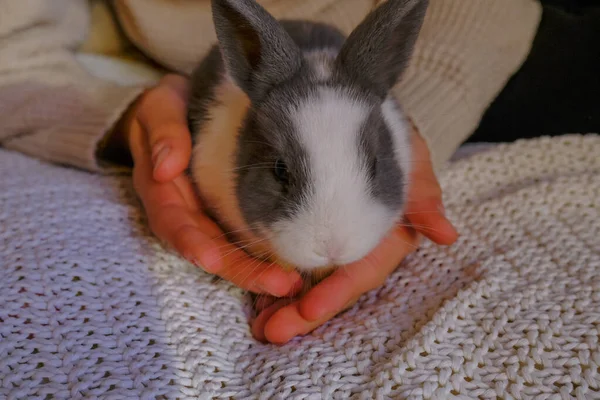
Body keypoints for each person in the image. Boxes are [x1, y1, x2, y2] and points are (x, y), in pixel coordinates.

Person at [0, 0, 541, 343]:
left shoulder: (379, 105)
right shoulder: (233, 117)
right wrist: (122, 116)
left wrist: (419, 111)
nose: (333, 243)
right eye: (282, 173)